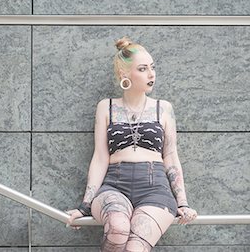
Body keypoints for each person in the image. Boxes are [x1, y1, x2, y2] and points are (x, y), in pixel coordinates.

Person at [66, 36, 198, 251]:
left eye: (152, 68)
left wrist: (182, 202)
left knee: (134, 249)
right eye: (143, 69)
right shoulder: (106, 107)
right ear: (124, 74)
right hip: (114, 186)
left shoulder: (163, 108)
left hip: (155, 187)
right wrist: (85, 205)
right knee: (117, 229)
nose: (151, 74)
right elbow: (100, 157)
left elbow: (171, 156)